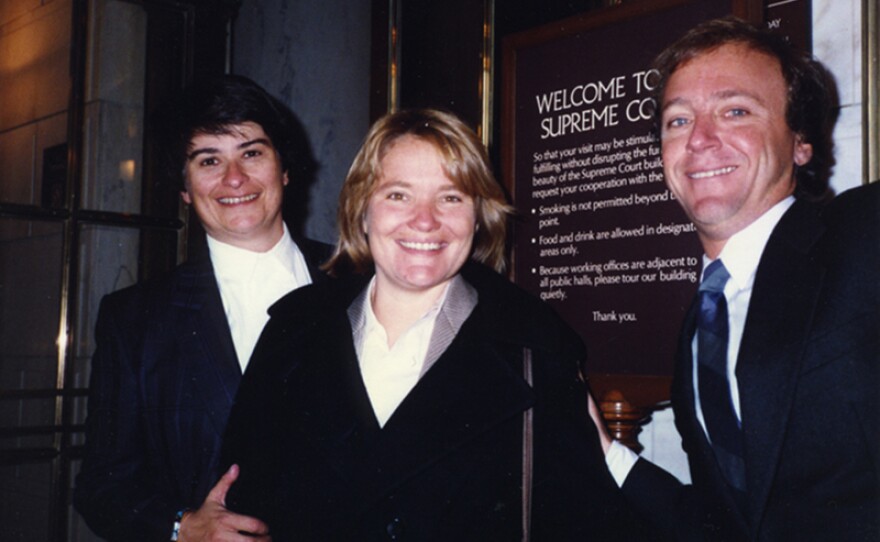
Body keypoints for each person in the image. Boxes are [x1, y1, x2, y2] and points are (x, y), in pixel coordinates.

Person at [220, 108, 649, 541]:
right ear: (363, 211)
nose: (425, 220)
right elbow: (238, 504)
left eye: (451, 197)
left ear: (479, 216)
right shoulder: (291, 329)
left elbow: (587, 526)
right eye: (398, 195)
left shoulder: (536, 348)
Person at [591, 16, 880, 541]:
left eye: (735, 111)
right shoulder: (698, 330)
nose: (700, 139)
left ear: (800, 143)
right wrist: (607, 455)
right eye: (678, 121)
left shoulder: (864, 234)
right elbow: (728, 523)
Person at [74, 75, 333, 542]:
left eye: (251, 153)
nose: (234, 178)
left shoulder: (364, 283)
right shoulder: (134, 321)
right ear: (186, 189)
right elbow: (101, 486)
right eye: (209, 160)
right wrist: (181, 527)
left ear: (286, 169)